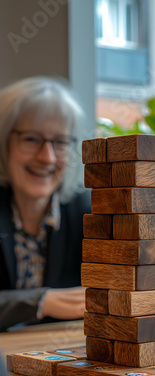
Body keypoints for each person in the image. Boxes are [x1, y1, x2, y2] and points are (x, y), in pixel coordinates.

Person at [0, 76, 91, 332]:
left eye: (60, 142)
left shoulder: (91, 212)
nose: (47, 157)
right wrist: (40, 301)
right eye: (30, 139)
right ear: (4, 142)